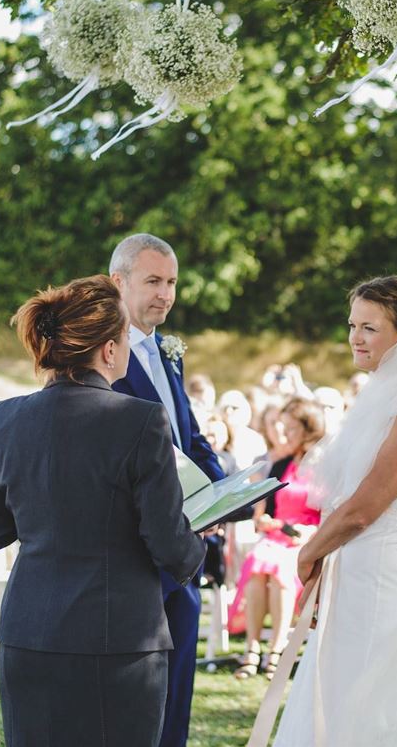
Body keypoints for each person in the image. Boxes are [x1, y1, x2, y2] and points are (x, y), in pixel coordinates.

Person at [0, 275, 206, 747]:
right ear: (109, 349)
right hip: (118, 640)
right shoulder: (140, 419)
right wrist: (198, 538)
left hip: (28, 636)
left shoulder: (5, 417)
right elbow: (168, 543)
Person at [269, 273, 397, 746]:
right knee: (331, 714)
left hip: (382, 581)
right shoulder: (385, 397)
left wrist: (308, 552)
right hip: (352, 573)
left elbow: (364, 508)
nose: (355, 337)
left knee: (365, 721)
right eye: (353, 325)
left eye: (370, 328)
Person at [109, 233, 224, 747]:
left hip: (185, 551)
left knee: (178, 691)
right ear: (119, 282)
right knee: (134, 695)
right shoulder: (99, 357)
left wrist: (223, 493)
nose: (165, 294)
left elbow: (189, 437)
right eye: (153, 280)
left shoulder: (170, 354)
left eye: (172, 282)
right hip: (132, 553)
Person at [228, 398, 325, 681]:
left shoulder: (323, 465)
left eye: (292, 429)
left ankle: (278, 650)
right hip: (275, 537)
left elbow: (330, 511)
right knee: (258, 565)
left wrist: (310, 534)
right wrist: (266, 521)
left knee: (280, 570)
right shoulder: (280, 463)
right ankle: (252, 648)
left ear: (308, 430)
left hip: (306, 539)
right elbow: (261, 513)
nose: (285, 435)